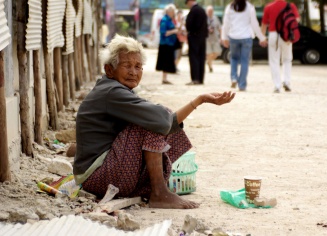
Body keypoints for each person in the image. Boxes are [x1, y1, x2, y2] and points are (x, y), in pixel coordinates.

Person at [73, 34, 236, 209]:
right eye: (127, 66)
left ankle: (157, 190)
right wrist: (193, 103)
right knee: (152, 121)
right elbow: (160, 120)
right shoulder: (112, 92)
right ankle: (159, 193)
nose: (133, 72)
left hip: (100, 174)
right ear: (109, 70)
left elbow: (168, 122)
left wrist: (200, 100)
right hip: (98, 177)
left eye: (138, 66)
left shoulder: (115, 89)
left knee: (156, 118)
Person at [222, 0, 267, 91]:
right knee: (244, 60)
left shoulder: (229, 7)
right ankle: (242, 85)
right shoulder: (250, 7)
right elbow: (255, 24)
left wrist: (224, 37)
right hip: (246, 37)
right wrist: (261, 38)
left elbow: (225, 24)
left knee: (234, 58)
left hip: (233, 36)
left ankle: (234, 78)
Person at [261, 0, 300, 93]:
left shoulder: (268, 7)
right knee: (287, 59)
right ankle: (287, 82)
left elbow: (264, 24)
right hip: (286, 35)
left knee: (274, 61)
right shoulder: (291, 6)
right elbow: (297, 20)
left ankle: (277, 85)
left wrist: (262, 37)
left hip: (273, 34)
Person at [185, 0, 208, 85]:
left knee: (194, 58)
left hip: (194, 37)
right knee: (201, 58)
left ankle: (195, 78)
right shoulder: (202, 10)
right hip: (202, 38)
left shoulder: (193, 11)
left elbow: (189, 24)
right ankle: (200, 79)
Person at [155, 4, 179, 85]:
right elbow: (163, 32)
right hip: (165, 44)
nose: (174, 13)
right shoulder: (164, 20)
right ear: (169, 11)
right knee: (165, 62)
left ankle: (165, 78)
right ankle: (164, 78)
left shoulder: (170, 20)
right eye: (173, 12)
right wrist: (174, 31)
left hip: (170, 44)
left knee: (168, 61)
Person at [205, 5, 222, 73]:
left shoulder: (216, 18)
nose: (210, 12)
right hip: (207, 38)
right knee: (209, 53)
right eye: (209, 11)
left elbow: (220, 28)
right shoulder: (204, 19)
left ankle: (209, 61)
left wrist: (221, 37)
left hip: (215, 38)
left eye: (211, 11)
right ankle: (210, 67)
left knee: (217, 52)